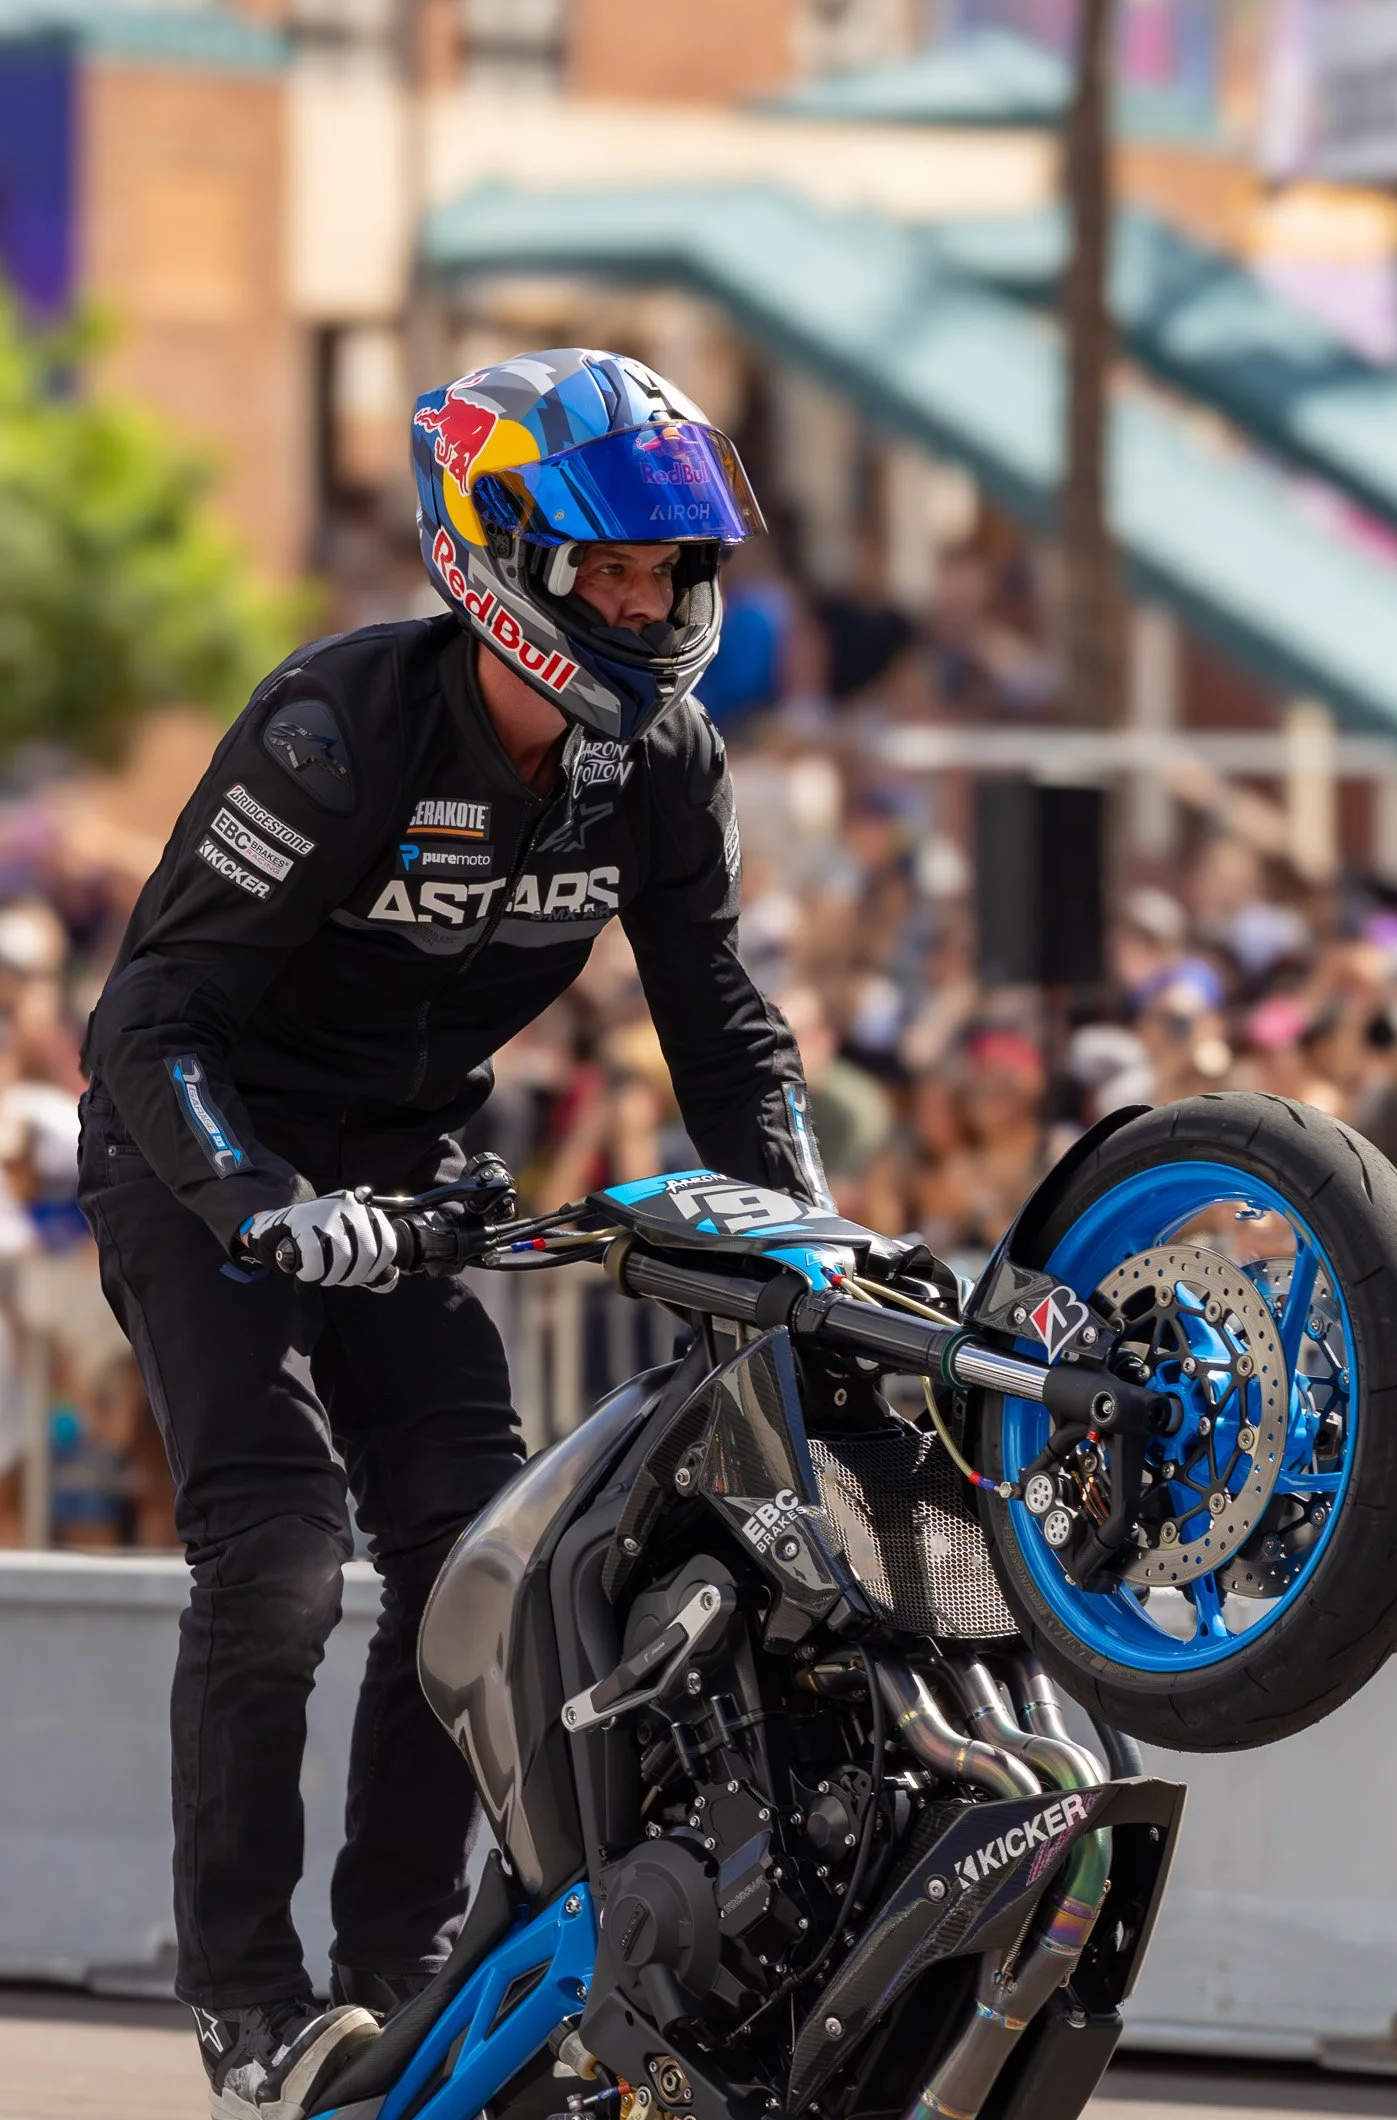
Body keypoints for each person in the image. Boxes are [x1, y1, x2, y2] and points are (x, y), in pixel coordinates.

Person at [78, 350, 829, 2119]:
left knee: (477, 1572)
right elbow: (146, 1022)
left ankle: (395, 1972)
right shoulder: (334, 730)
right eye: (612, 573)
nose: (648, 608)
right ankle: (245, 2000)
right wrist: (265, 1206)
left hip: (409, 1178)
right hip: (209, 1161)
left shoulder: (666, 760)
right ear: (506, 561)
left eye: (667, 573)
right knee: (272, 1558)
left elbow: (720, 1024)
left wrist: (809, 1230)